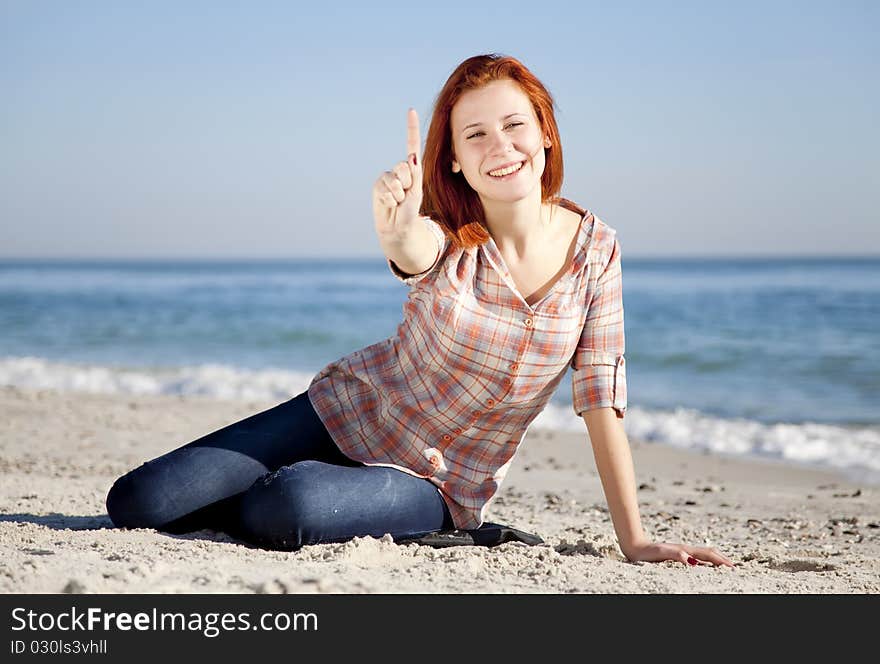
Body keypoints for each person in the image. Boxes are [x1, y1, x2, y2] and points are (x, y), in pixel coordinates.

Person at [106, 53, 734, 568]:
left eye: (515, 126)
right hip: (346, 411)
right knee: (137, 502)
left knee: (286, 506)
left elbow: (601, 399)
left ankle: (327, 497)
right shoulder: (446, 233)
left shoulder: (597, 249)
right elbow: (415, 251)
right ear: (455, 158)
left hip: (440, 481)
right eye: (476, 134)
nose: (502, 146)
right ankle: (295, 490)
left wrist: (635, 539)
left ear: (545, 132)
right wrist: (395, 230)